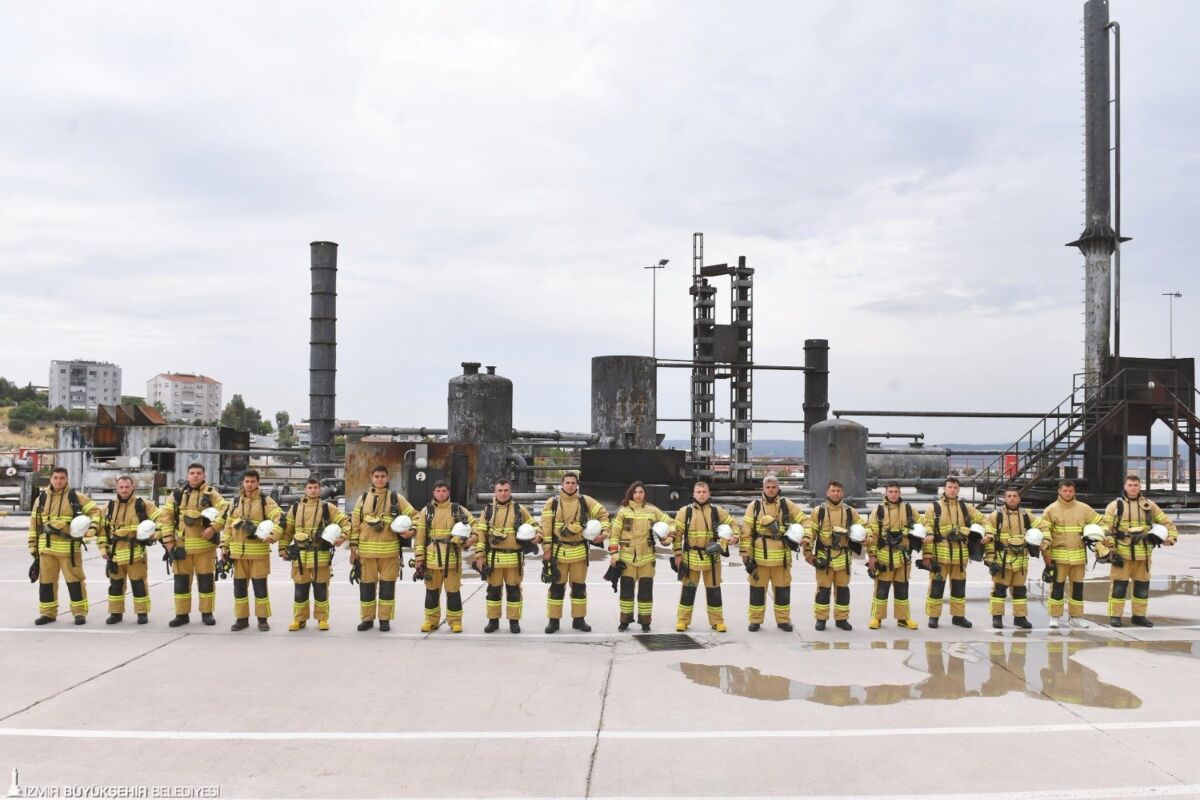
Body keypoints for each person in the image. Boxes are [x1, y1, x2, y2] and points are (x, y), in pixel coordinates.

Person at [157, 462, 228, 627]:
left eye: (198, 473)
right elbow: (166, 517)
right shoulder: (177, 494)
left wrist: (214, 528)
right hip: (181, 548)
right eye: (192, 473)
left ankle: (207, 613)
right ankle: (181, 615)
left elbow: (226, 510)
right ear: (188, 475)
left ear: (204, 476)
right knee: (181, 583)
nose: (195, 476)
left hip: (205, 549)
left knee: (206, 582)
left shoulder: (212, 494)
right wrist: (168, 541)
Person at [348, 465, 419, 632]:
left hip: (390, 554)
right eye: (377, 476)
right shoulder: (362, 499)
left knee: (387, 589)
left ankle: (384, 620)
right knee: (366, 589)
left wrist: (412, 531)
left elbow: (416, 516)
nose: (380, 479)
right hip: (366, 555)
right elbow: (355, 526)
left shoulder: (397, 498)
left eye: (382, 476)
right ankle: (367, 619)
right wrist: (353, 550)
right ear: (371, 478)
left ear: (387, 478)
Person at [1102, 474, 1178, 627]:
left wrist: (1172, 538)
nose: (1133, 488)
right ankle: (1115, 616)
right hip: (1121, 554)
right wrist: (1111, 551)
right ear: (1125, 486)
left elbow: (1166, 522)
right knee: (1118, 587)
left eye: (1136, 485)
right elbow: (1105, 529)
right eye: (1130, 485)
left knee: (1142, 588)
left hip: (1144, 554)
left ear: (1140, 486)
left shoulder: (1149, 505)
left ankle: (1139, 616)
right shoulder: (1114, 506)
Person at [28, 467, 100, 625]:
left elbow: (96, 512)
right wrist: (33, 546)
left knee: (75, 582)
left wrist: (93, 528)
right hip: (46, 549)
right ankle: (48, 614)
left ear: (67, 479)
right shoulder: (41, 499)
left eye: (62, 478)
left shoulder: (76, 497)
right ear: (51, 479)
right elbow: (34, 524)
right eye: (55, 477)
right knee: (46, 583)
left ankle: (79, 613)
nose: (58, 480)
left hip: (69, 550)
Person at [539, 472, 609, 633]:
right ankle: (553, 621)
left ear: (577, 485)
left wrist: (604, 532)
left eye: (573, 483)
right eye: (567, 482)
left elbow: (604, 514)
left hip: (579, 553)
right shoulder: (552, 503)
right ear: (562, 484)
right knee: (556, 588)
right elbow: (546, 527)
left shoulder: (585, 501)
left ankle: (579, 619)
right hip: (559, 553)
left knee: (579, 588)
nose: (570, 485)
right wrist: (547, 550)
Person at [213, 469, 283, 631]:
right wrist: (224, 546)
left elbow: (280, 517)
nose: (249, 484)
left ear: (258, 483)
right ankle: (242, 619)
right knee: (239, 589)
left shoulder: (266, 501)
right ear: (243, 483)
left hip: (259, 555)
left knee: (260, 588)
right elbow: (228, 527)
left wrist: (274, 534)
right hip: (238, 555)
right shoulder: (235, 502)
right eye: (247, 481)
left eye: (253, 481)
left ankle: (262, 620)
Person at [279, 477, 349, 631]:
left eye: (316, 487)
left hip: (320, 555)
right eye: (310, 487)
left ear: (320, 489)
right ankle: (299, 620)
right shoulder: (295, 508)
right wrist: (282, 548)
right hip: (300, 556)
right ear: (305, 489)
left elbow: (346, 522)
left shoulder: (327, 507)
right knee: (300, 589)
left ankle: (322, 619)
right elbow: (287, 531)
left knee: (321, 589)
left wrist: (342, 537)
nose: (313, 490)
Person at [1036, 479, 1107, 629]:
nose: (1068, 493)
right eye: (1065, 490)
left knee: (1078, 588)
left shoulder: (1084, 509)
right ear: (1059, 491)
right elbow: (1045, 534)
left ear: (1074, 491)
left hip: (1079, 558)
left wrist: (1100, 538)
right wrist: (1046, 556)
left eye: (1070, 490)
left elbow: (1101, 523)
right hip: (1058, 557)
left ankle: (1076, 617)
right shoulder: (1051, 510)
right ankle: (1055, 617)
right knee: (1057, 588)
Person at [740, 475, 807, 632]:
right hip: (759, 559)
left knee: (782, 591)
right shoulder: (754, 506)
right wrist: (745, 553)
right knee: (757, 591)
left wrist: (807, 536)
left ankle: (783, 621)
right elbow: (746, 531)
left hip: (781, 559)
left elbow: (805, 520)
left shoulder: (787, 505)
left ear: (778, 488)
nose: (771, 490)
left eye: (773, 487)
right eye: (768, 487)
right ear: (763, 489)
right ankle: (755, 621)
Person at [922, 476, 989, 629]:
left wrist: (987, 533)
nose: (952, 490)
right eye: (950, 487)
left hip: (960, 557)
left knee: (959, 588)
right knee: (936, 587)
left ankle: (958, 617)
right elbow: (928, 532)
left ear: (958, 490)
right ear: (944, 489)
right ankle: (934, 617)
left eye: (955, 488)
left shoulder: (965, 507)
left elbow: (983, 519)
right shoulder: (934, 508)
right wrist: (927, 556)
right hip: (940, 557)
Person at [608, 481, 675, 632]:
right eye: (635, 492)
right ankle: (625, 621)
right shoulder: (622, 511)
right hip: (626, 559)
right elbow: (614, 534)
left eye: (641, 492)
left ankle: (645, 622)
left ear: (645, 494)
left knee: (645, 593)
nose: (638, 495)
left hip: (647, 560)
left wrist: (668, 538)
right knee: (626, 593)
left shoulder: (652, 510)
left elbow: (671, 522)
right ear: (630, 493)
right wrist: (614, 554)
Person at [673, 481, 739, 633]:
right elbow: (677, 535)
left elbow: (735, 525)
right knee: (688, 590)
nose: (701, 494)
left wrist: (735, 537)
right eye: (698, 492)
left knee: (714, 590)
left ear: (709, 493)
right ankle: (683, 621)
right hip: (690, 557)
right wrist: (677, 554)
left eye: (704, 491)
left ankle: (717, 621)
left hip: (713, 557)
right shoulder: (685, 512)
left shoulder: (717, 511)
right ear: (694, 494)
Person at [414, 479, 477, 633]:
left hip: (452, 561)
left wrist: (472, 537)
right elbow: (420, 536)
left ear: (449, 492)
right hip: (431, 561)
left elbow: (475, 524)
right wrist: (419, 558)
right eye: (438, 491)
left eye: (444, 491)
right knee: (432, 592)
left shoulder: (458, 509)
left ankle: (455, 622)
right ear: (433, 493)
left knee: (453, 592)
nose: (441, 494)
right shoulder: (426, 511)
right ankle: (431, 621)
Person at [474, 479, 536, 633]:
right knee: (493, 592)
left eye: (506, 490)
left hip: (514, 560)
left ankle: (514, 622)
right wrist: (479, 555)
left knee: (514, 592)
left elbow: (535, 525)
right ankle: (493, 621)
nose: (503, 493)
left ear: (510, 492)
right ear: (495, 493)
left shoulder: (519, 509)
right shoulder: (487, 511)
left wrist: (538, 536)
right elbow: (481, 534)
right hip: (493, 560)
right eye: (500, 490)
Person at [803, 480, 866, 631]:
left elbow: (865, 526)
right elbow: (809, 532)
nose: (836, 493)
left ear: (842, 493)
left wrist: (867, 537)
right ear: (827, 492)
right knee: (823, 590)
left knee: (843, 590)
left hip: (843, 558)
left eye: (838, 491)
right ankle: (821, 619)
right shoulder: (819, 511)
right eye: (833, 491)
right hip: (824, 558)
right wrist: (808, 554)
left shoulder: (850, 511)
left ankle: (842, 619)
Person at [98, 475, 159, 625]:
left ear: (133, 487)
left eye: (127, 487)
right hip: (115, 555)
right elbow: (101, 530)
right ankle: (115, 613)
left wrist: (156, 535)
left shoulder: (144, 505)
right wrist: (103, 549)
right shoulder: (108, 507)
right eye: (121, 487)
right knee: (115, 586)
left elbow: (162, 520)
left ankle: (142, 613)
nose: (124, 490)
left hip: (136, 553)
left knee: (138, 585)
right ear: (116, 488)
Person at [865, 481, 921, 630]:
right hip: (884, 557)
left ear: (900, 493)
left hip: (903, 557)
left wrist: (926, 534)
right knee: (881, 590)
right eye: (891, 491)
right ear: (886, 493)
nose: (893, 494)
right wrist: (872, 556)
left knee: (902, 589)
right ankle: (877, 618)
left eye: (896, 491)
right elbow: (872, 534)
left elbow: (923, 524)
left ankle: (903, 619)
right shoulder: (878, 512)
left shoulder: (909, 510)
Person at [984, 487, 1035, 629]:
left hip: (1021, 561)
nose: (1012, 498)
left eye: (1015, 496)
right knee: (999, 590)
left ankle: (1020, 618)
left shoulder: (1026, 515)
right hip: (1002, 560)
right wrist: (989, 558)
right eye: (1009, 496)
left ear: (1019, 499)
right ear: (1005, 499)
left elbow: (1042, 526)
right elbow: (988, 536)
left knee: (1020, 591)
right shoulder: (996, 515)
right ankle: (997, 617)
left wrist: (1045, 540)